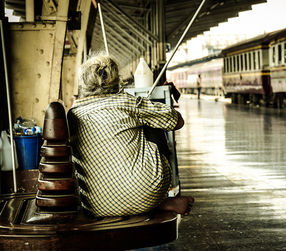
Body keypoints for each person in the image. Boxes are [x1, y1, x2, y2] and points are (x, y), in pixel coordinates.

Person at [67, 54, 194, 217]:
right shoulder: (127, 102)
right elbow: (177, 122)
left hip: (95, 206)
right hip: (147, 193)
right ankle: (162, 199)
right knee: (152, 123)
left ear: (83, 81)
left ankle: (157, 202)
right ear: (116, 79)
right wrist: (145, 108)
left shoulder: (73, 113)